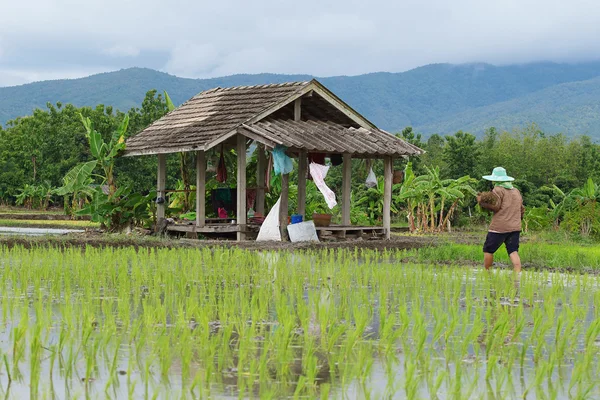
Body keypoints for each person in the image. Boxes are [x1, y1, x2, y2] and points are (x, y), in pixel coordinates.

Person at [477, 167, 525, 273]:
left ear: (495, 179)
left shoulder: (498, 190)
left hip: (499, 227)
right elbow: (521, 209)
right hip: (515, 227)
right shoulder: (516, 191)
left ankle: (487, 273)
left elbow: (495, 206)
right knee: (513, 251)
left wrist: (481, 202)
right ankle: (517, 273)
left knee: (488, 249)